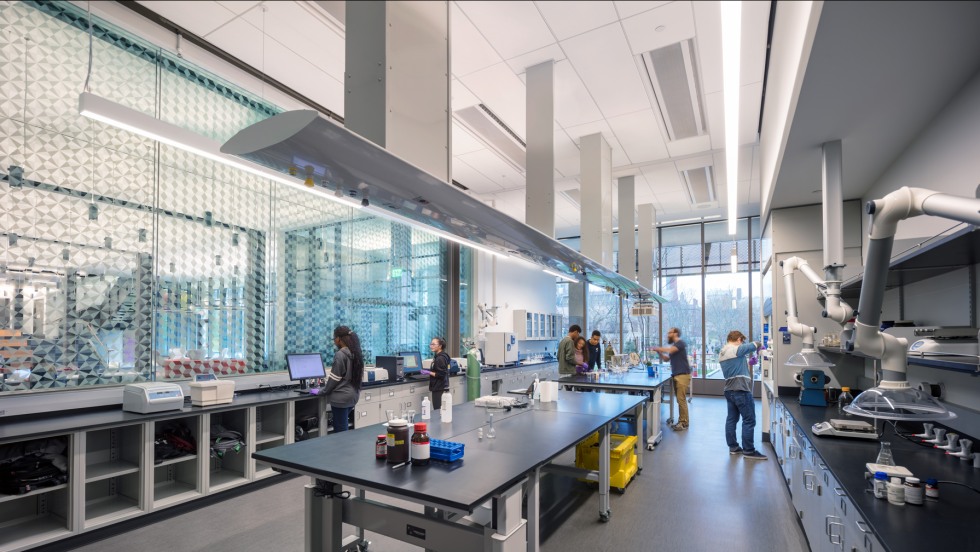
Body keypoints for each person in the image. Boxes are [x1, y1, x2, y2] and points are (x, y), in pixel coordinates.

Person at [719, 330, 766, 460]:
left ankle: (733, 447)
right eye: (742, 341)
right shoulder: (735, 349)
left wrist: (748, 362)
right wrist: (760, 345)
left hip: (729, 390)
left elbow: (737, 363)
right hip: (741, 390)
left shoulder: (723, 352)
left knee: (731, 419)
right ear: (739, 339)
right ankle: (749, 451)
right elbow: (754, 344)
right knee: (749, 420)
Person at [323, 326, 364, 432]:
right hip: (353, 395)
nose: (334, 342)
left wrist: (323, 391)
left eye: (334, 339)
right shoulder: (355, 352)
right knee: (343, 426)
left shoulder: (340, 354)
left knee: (340, 430)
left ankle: (342, 448)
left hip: (341, 398)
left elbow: (334, 378)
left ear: (338, 339)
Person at [652, 327, 691, 431]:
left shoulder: (680, 343)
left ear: (676, 333)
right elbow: (666, 359)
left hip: (682, 375)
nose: (668, 334)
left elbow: (669, 350)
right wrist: (659, 353)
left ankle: (684, 423)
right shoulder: (674, 347)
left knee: (681, 400)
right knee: (680, 400)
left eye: (670, 333)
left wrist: (659, 348)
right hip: (676, 375)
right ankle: (682, 421)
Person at [428, 337, 451, 411]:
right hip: (442, 386)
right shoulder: (442, 356)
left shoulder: (440, 358)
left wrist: (428, 372)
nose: (431, 346)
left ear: (440, 346)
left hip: (438, 387)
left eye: (434, 344)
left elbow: (441, 374)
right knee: (442, 409)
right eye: (431, 344)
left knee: (438, 410)